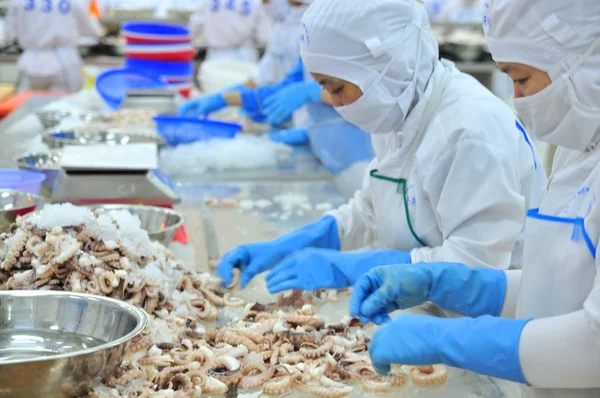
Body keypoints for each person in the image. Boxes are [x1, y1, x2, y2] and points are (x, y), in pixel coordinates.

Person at [350, 1, 600, 397]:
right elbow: (563, 288)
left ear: (586, 64)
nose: (517, 99)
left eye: (522, 79)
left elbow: (594, 345)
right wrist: (452, 284)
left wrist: (446, 338)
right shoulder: (581, 147)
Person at [216, 0, 548, 294]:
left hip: (489, 332)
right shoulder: (400, 111)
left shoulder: (469, 129)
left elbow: (475, 267)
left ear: (386, 66)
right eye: (325, 87)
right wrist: (289, 245)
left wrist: (348, 267)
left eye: (337, 87)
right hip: (432, 311)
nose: (334, 102)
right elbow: (372, 208)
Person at [5, 0, 103, 93]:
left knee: (25, 105)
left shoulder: (18, 1)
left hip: (29, 60)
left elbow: (9, 33)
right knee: (64, 105)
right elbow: (93, 30)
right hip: (62, 61)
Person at [188, 0, 271, 63]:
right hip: (245, 57)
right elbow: (264, 37)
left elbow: (193, 29)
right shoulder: (257, 2)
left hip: (215, 58)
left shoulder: (208, 1)